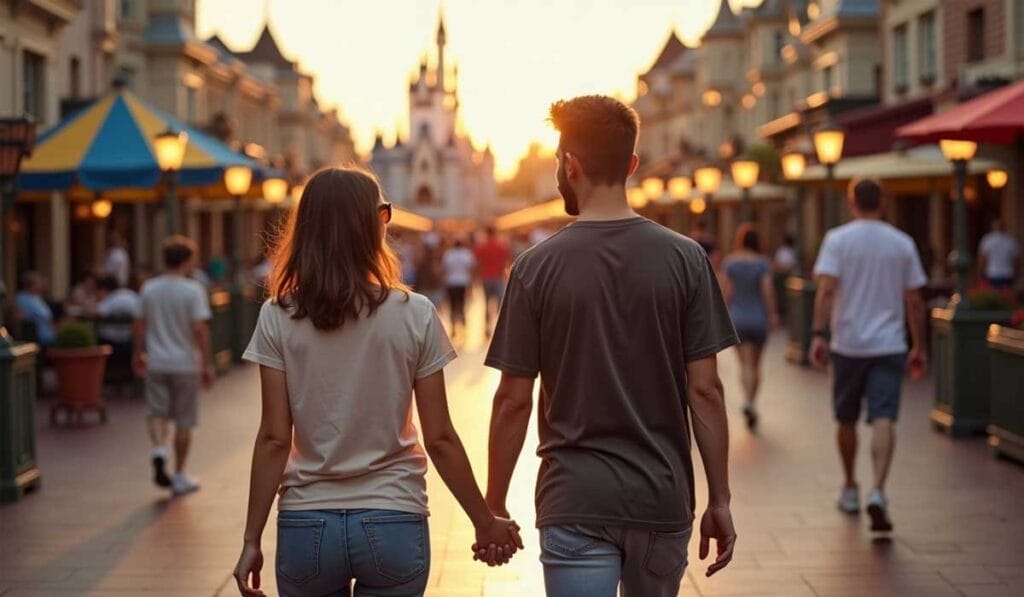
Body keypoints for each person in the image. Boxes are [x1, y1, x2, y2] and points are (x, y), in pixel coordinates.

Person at [482, 96, 738, 596]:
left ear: (570, 165)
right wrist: (721, 498)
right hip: (661, 496)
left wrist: (494, 505)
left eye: (559, 161)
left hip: (574, 498)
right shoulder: (687, 260)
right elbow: (706, 393)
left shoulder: (536, 268)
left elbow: (512, 400)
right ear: (633, 165)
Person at [231, 168, 522, 597]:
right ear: (373, 225)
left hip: (308, 524)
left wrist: (251, 539)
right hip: (393, 517)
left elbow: (275, 437)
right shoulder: (414, 312)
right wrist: (483, 520)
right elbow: (440, 437)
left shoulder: (278, 315)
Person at [810, 177, 927, 533]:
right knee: (884, 418)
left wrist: (817, 334)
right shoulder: (902, 243)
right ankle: (878, 490)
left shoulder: (837, 240)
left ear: (851, 202)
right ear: (884, 203)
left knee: (845, 419)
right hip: (890, 344)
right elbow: (915, 299)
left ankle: (850, 486)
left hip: (848, 345)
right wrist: (918, 344)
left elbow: (826, 290)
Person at [133, 236, 215, 496]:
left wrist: (138, 352)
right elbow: (200, 329)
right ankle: (179, 474)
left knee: (157, 412)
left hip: (156, 361)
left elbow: (139, 324)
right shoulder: (193, 290)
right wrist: (207, 363)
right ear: (187, 260)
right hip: (184, 363)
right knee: (183, 420)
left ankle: (158, 449)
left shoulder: (149, 288)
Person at [721, 224, 779, 429]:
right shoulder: (762, 264)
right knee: (755, 365)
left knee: (745, 364)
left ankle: (747, 400)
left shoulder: (731, 263)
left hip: (737, 318)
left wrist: (722, 315)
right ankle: (751, 402)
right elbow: (767, 291)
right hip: (758, 319)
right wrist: (772, 315)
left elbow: (727, 291)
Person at [474, 226, 511, 335]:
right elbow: (507, 262)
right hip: (498, 277)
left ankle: (487, 326)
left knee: (486, 302)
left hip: (486, 278)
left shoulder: (481, 247)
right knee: (500, 304)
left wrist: (476, 277)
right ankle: (499, 327)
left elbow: (477, 263)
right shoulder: (501, 246)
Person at [96, 274, 142, 351]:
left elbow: (99, 313)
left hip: (112, 344)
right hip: (130, 342)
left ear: (104, 289)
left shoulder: (113, 297)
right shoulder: (131, 294)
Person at [441, 238, 475, 337]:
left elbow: (444, 269)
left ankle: (453, 327)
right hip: (463, 282)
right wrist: (472, 285)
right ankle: (463, 325)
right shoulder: (466, 254)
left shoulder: (448, 254)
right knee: (462, 304)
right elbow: (471, 269)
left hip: (451, 283)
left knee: (452, 305)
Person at [14, 271, 56, 346]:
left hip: (48, 332)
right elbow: (19, 317)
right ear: (31, 284)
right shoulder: (21, 298)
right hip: (35, 335)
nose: (42, 285)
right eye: (39, 282)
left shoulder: (38, 297)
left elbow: (48, 317)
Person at [978, 220, 1019, 290]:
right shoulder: (1011, 241)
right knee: (1007, 297)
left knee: (994, 297)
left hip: (992, 273)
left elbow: (983, 259)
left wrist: (980, 273)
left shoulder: (988, 240)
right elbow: (1016, 261)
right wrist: (1017, 275)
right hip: (1008, 274)